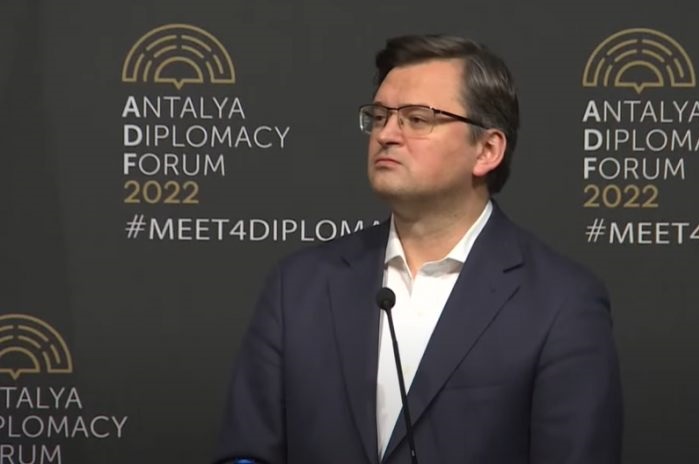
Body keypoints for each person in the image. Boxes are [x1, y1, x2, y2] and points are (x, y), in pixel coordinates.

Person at [215, 34, 622, 464]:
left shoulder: (561, 303)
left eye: (417, 118)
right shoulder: (299, 286)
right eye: (379, 116)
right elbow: (247, 453)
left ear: (486, 150)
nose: (387, 134)